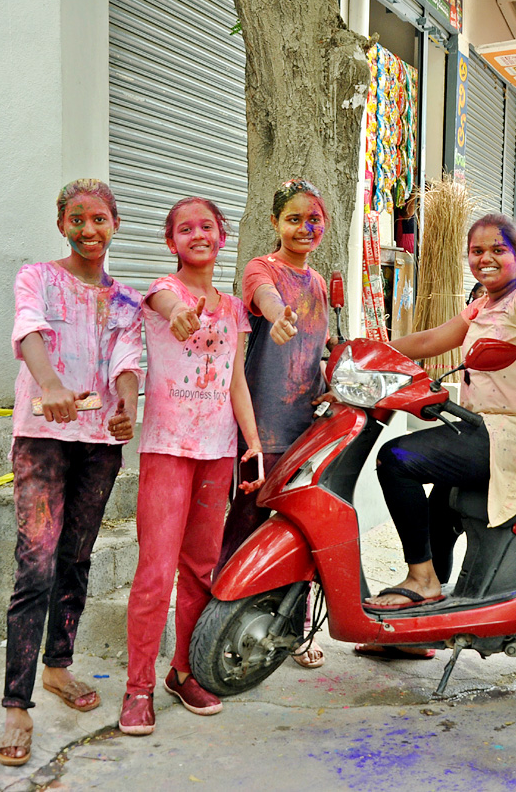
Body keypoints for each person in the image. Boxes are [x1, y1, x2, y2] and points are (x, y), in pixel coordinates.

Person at [0, 179, 143, 766]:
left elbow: (126, 359)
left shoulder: (125, 299)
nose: (89, 229)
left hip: (99, 443)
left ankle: (58, 666)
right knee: (35, 564)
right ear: (62, 224)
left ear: (114, 226)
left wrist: (127, 406)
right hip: (41, 438)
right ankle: (16, 704)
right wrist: (51, 385)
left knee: (77, 557)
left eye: (99, 219)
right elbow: (28, 330)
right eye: (77, 219)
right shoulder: (38, 277)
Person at [363, 213, 516, 609]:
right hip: (482, 426)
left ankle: (421, 577)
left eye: (498, 250)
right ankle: (426, 608)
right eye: (476, 251)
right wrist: (367, 350)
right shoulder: (483, 302)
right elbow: (433, 339)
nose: (485, 258)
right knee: (440, 511)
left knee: (396, 459)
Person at [119, 198, 264, 735]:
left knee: (202, 568)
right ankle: (138, 688)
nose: (197, 235)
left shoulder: (233, 309)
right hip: (166, 449)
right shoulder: (164, 291)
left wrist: (252, 441)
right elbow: (161, 303)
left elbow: (235, 380)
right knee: (155, 572)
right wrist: (177, 311)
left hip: (217, 451)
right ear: (171, 241)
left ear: (222, 236)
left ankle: (183, 671)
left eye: (207, 226)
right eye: (185, 229)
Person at [219, 179, 334, 669]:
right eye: (294, 219)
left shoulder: (321, 283)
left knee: (301, 530)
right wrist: (277, 314)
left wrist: (332, 378)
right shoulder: (260, 270)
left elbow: (320, 349)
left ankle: (294, 631)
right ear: (275, 223)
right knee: (244, 527)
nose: (304, 228)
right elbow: (264, 297)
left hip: (306, 429)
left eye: (313, 220)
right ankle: (219, 622)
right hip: (259, 432)